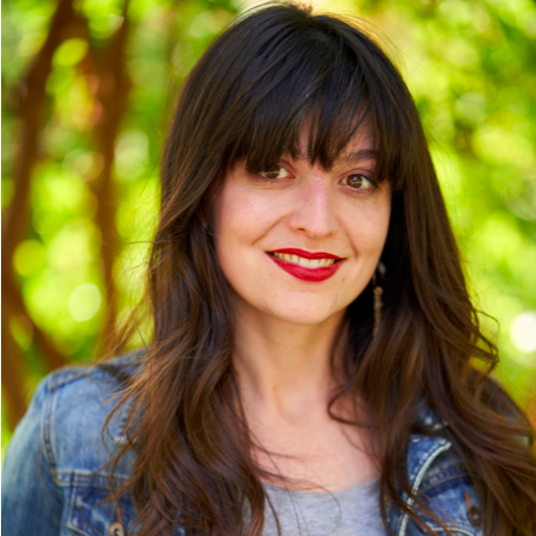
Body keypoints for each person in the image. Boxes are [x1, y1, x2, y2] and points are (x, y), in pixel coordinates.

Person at [2, 3, 536, 535]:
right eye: (272, 169)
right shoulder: (73, 434)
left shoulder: (478, 439)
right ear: (204, 190)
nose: (319, 222)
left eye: (358, 180)